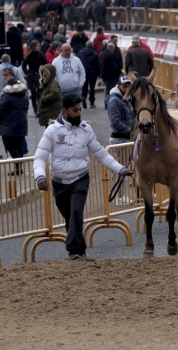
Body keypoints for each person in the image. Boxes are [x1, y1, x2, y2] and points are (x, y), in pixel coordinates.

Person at [33, 94, 134, 260]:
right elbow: (40, 156)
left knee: (77, 213)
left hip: (80, 179)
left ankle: (72, 249)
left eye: (80, 109)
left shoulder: (86, 129)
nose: (78, 113)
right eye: (75, 110)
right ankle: (79, 251)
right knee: (70, 218)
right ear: (64, 110)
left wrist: (121, 170)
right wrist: (40, 177)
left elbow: (101, 154)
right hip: (59, 183)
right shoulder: (52, 131)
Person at [0, 77, 29, 167]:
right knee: (19, 146)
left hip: (8, 126)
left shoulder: (6, 95)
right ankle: (19, 167)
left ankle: (17, 167)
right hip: (21, 125)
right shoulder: (24, 95)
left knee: (10, 146)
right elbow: (26, 108)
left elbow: (0, 110)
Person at [107, 75, 135, 145]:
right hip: (119, 139)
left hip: (128, 137)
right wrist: (131, 131)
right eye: (124, 86)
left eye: (129, 86)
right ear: (119, 86)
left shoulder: (127, 99)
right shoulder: (114, 100)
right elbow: (115, 121)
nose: (127, 89)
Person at [23, 40, 47, 115]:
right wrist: (27, 72)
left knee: (40, 92)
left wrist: (44, 72)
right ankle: (35, 109)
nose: (39, 47)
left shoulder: (41, 55)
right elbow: (24, 65)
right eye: (37, 46)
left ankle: (40, 108)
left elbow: (45, 64)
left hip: (39, 75)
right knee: (33, 93)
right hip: (32, 75)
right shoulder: (29, 55)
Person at [98, 41, 123, 109]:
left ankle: (106, 103)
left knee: (107, 90)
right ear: (112, 48)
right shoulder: (110, 55)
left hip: (104, 75)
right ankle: (108, 103)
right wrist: (119, 71)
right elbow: (113, 66)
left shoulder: (102, 54)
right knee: (110, 90)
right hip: (111, 76)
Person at [77, 40, 100, 109]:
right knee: (92, 88)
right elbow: (97, 65)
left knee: (84, 88)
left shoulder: (80, 53)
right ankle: (92, 102)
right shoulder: (95, 54)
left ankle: (83, 97)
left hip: (83, 73)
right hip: (93, 74)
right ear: (92, 46)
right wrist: (98, 73)